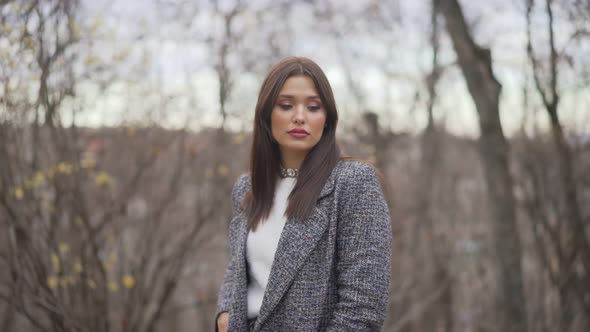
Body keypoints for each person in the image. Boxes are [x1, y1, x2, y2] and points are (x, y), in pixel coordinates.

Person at [215, 57, 392, 331]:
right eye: (286, 105)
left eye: (313, 107)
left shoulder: (354, 183)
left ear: (327, 118)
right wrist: (224, 316)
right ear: (266, 114)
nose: (300, 116)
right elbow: (238, 270)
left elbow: (363, 308)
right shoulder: (248, 188)